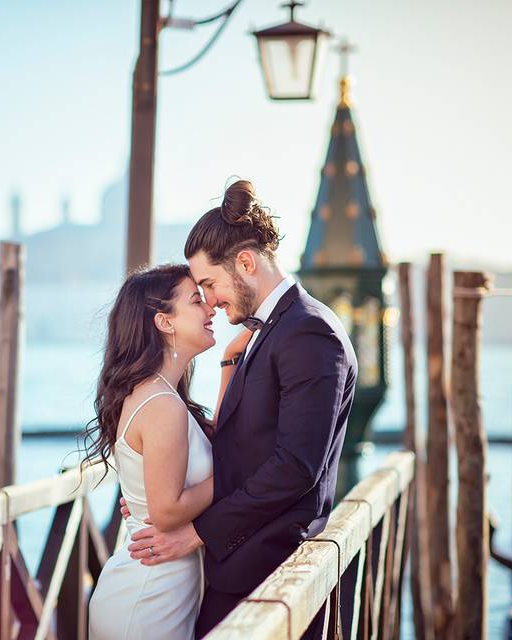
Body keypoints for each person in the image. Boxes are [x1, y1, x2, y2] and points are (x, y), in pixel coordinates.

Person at [123, 179, 359, 638]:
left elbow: (294, 467)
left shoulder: (308, 333)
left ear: (246, 263)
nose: (208, 300)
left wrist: (199, 532)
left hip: (271, 578)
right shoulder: (272, 332)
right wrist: (152, 483)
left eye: (209, 283)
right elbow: (245, 442)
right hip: (244, 570)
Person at [84, 263, 249, 640]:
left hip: (160, 588)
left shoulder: (163, 396)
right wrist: (235, 476)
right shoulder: (161, 404)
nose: (210, 309)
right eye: (196, 301)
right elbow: (167, 510)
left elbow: (216, 445)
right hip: (147, 598)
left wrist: (227, 365)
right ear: (165, 322)